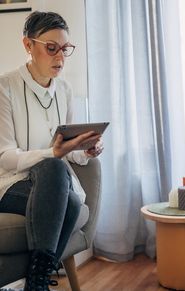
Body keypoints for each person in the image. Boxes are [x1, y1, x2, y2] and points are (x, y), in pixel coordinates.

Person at [0, 11, 103, 290]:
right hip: (9, 184)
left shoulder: (65, 90)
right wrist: (52, 155)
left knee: (65, 190)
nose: (60, 56)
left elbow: (70, 151)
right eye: (51, 47)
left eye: (65, 48)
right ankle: (38, 282)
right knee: (59, 180)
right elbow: (6, 157)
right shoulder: (5, 87)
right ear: (28, 45)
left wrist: (86, 150)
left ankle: (35, 282)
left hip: (52, 185)